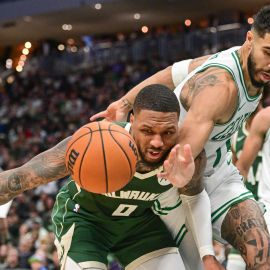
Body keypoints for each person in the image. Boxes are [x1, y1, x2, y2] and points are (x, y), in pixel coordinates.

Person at [91, 5, 270, 268]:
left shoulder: (241, 66)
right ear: (249, 39)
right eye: (268, 53)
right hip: (180, 179)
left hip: (216, 171)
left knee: (262, 252)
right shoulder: (221, 87)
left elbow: (172, 72)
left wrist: (125, 100)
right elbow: (182, 165)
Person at [0, 85, 220, 270]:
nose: (157, 143)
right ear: (132, 120)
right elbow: (21, 177)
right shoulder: (98, 142)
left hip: (138, 225)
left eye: (168, 132)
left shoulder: (184, 155)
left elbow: (195, 197)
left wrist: (207, 254)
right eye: (147, 130)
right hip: (85, 221)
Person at [226, 106, 263, 270]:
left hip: (266, 204)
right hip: (247, 210)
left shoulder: (266, 124)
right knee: (234, 264)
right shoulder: (236, 133)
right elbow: (235, 172)